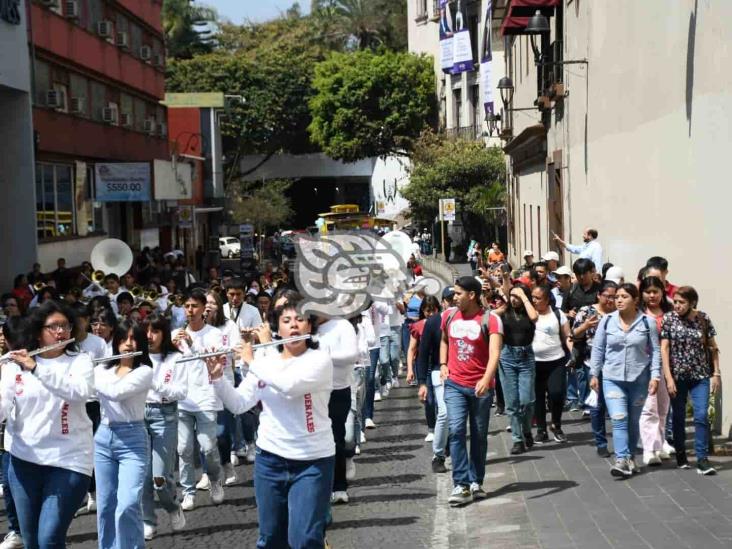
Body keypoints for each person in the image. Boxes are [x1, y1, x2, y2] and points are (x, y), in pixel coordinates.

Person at [207, 298, 335, 548]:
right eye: (287, 321)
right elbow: (239, 403)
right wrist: (218, 379)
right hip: (270, 461)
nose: (294, 326)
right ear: (277, 328)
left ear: (310, 326)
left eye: (300, 320)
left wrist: (254, 358)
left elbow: (289, 386)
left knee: (305, 539)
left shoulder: (319, 360)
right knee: (270, 539)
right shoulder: (265, 365)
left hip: (312, 461)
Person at [2, 301, 94, 547]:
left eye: (65, 326)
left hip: (69, 459)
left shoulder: (80, 360)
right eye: (53, 326)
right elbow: (3, 406)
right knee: (31, 541)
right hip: (24, 461)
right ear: (37, 331)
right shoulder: (14, 366)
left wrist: (36, 369)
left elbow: (80, 392)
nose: (61, 332)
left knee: (49, 538)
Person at [440, 276, 503, 506]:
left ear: (472, 295)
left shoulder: (491, 319)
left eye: (458, 293)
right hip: (455, 384)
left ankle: (476, 481)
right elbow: (445, 340)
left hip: (480, 387)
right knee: (456, 430)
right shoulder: (448, 316)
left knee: (478, 434)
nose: (453, 297)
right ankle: (461, 484)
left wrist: (487, 379)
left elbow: (495, 352)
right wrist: (443, 364)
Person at [589, 283, 661, 477]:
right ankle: (621, 459)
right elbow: (598, 348)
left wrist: (655, 376)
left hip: (639, 379)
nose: (618, 300)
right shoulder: (606, 321)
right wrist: (594, 373)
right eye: (617, 297)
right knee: (619, 419)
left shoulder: (648, 323)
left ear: (635, 300)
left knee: (633, 421)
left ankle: (629, 458)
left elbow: (655, 352)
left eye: (624, 297)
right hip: (612, 378)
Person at [93, 320, 153, 549]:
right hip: (104, 437)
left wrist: (90, 377)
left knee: (127, 504)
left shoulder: (145, 371)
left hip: (133, 439)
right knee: (106, 505)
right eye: (123, 338)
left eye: (134, 338)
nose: (128, 344)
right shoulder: (102, 369)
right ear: (116, 341)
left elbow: (116, 392)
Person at [172, 289, 227, 510]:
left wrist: (192, 345)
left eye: (195, 306)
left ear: (204, 309)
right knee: (183, 448)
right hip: (183, 400)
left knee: (207, 447)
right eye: (187, 306)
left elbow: (211, 360)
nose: (190, 311)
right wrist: (172, 349)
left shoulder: (214, 333)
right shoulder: (176, 334)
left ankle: (214, 479)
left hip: (206, 398)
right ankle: (188, 492)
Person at [662, 286, 720, 474]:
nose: (677, 306)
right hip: (677, 376)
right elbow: (664, 349)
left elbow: (713, 348)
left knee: (701, 415)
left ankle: (702, 459)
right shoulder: (669, 319)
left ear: (692, 303)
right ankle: (681, 455)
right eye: (675, 302)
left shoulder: (703, 319)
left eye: (681, 302)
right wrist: (668, 377)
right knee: (678, 417)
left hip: (700, 375)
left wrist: (716, 374)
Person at [142, 314, 188, 540]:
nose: (150, 336)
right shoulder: (136, 357)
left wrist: (155, 383)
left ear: (164, 334)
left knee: (159, 477)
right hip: (138, 416)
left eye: (155, 331)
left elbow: (181, 392)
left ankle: (173, 507)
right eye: (147, 331)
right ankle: (147, 520)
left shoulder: (175, 358)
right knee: (142, 474)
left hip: (165, 415)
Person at [316, 311, 359, 505]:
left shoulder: (342, 325)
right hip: (312, 391)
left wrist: (322, 356)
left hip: (338, 390)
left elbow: (351, 355)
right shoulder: (305, 327)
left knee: (338, 438)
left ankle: (339, 486)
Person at [571, 281, 617, 457]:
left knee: (616, 405)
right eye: (608, 296)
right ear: (599, 295)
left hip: (616, 365)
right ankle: (601, 442)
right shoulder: (587, 311)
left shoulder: (620, 314)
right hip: (592, 364)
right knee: (598, 406)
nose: (611, 300)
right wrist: (585, 326)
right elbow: (573, 334)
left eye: (614, 297)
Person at [203, 290, 242, 488]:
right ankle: (206, 472)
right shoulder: (196, 328)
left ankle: (226, 463)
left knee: (221, 431)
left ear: (219, 306)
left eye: (212, 303)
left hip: (224, 380)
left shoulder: (229, 325)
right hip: (200, 385)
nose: (208, 306)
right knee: (202, 432)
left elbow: (236, 349)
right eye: (206, 303)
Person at [495, 284, 538, 454]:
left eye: (518, 296)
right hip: (507, 357)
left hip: (526, 357)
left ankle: (527, 429)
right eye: (512, 295)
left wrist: (524, 297)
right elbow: (489, 315)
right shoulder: (504, 311)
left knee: (526, 401)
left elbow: (534, 318)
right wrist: (506, 298)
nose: (514, 299)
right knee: (512, 403)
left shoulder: (530, 311)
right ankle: (517, 439)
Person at [639, 277, 675, 466]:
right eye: (648, 292)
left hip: (667, 366)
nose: (652, 295)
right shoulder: (638, 314)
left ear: (662, 293)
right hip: (645, 366)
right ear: (642, 294)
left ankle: (659, 444)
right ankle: (648, 449)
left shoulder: (671, 314)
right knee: (649, 408)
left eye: (655, 291)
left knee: (663, 407)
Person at [416, 289, 452, 473]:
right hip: (439, 371)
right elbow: (422, 354)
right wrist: (422, 382)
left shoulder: (471, 320)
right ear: (444, 302)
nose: (454, 303)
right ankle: (438, 455)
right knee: (444, 413)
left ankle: (453, 447)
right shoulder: (433, 322)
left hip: (465, 374)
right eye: (451, 300)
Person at [531, 285, 571, 443]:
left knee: (557, 393)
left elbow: (567, 336)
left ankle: (556, 425)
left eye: (538, 298)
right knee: (538, 397)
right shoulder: (529, 314)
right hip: (534, 363)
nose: (534, 301)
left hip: (556, 361)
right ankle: (541, 430)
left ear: (547, 299)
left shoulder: (558, 314)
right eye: (532, 297)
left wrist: (572, 351)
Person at [406, 296, 441, 443]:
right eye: (427, 311)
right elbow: (411, 349)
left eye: (433, 311)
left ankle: (441, 427)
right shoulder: (418, 326)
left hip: (439, 364)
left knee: (440, 400)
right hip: (424, 365)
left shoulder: (442, 322)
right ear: (423, 311)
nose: (430, 314)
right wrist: (410, 370)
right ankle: (432, 428)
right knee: (429, 400)